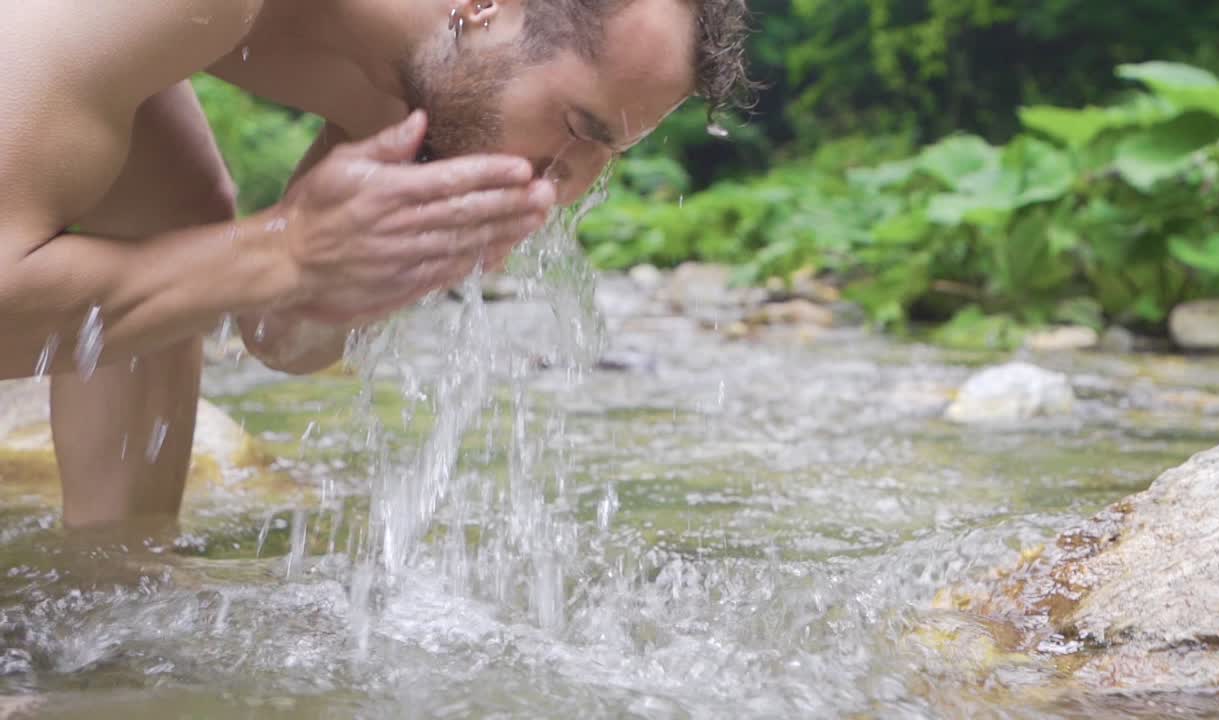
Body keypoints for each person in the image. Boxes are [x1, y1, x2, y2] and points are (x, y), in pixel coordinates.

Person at [0, 0, 751, 529]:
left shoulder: (437, 80)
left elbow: (279, 334)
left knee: (176, 218)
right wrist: (287, 247)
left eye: (607, 153)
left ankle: (112, 590)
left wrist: (366, 268)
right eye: (578, 127)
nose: (570, 183)